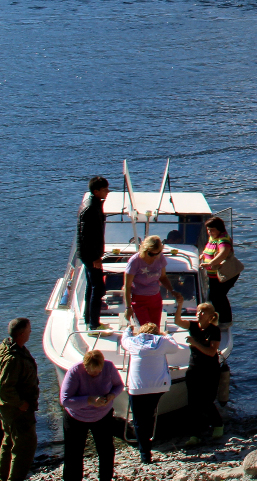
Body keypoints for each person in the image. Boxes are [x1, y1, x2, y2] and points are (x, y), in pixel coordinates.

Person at [120, 321, 184, 463]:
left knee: (138, 420)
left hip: (137, 387)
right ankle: (148, 444)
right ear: (157, 333)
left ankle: (145, 454)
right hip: (158, 387)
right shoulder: (161, 341)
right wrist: (167, 335)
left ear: (140, 332)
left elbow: (124, 340)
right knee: (149, 416)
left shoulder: (133, 342)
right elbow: (175, 347)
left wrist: (127, 329)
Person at [60, 349, 123, 481]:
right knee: (73, 455)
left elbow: (119, 385)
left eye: (98, 371)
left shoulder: (109, 367)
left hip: (102, 415)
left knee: (106, 451)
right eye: (91, 371)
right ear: (85, 366)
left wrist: (111, 395)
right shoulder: (75, 371)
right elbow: (65, 400)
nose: (95, 374)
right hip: (76, 417)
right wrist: (89, 400)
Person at [172, 302, 223, 445]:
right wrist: (180, 304)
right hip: (194, 367)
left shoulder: (214, 331)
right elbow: (178, 321)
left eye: (203, 312)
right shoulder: (193, 326)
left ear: (210, 316)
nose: (199, 314)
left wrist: (195, 343)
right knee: (193, 402)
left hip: (210, 369)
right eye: (198, 311)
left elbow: (211, 352)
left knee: (207, 400)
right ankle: (194, 435)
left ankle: (218, 424)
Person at [0, 319, 39, 481]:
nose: (31, 331)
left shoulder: (8, 346)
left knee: (8, 442)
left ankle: (3, 476)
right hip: (17, 412)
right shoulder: (13, 359)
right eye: (29, 329)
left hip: (9, 411)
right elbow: (4, 388)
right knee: (24, 447)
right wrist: (20, 403)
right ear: (21, 333)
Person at [76, 177, 110, 331]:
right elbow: (86, 236)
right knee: (98, 287)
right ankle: (94, 324)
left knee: (91, 286)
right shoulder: (90, 208)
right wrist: (95, 257)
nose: (108, 191)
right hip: (90, 255)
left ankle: (89, 319)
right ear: (96, 191)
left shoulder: (94, 204)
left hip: (89, 254)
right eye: (105, 189)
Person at [123, 236, 176, 329]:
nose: (155, 256)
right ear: (144, 250)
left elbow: (163, 277)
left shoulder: (160, 258)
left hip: (155, 298)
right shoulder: (135, 261)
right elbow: (127, 286)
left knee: (155, 329)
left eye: (157, 253)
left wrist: (172, 290)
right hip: (139, 300)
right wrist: (128, 308)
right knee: (146, 330)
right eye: (151, 254)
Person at [199, 218, 237, 327]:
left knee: (219, 296)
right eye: (208, 230)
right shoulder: (213, 237)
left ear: (219, 229)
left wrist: (209, 263)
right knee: (213, 296)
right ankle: (216, 317)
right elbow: (209, 248)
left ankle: (225, 321)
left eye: (212, 230)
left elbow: (223, 253)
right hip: (213, 275)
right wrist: (204, 255)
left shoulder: (223, 239)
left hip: (223, 274)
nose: (210, 232)